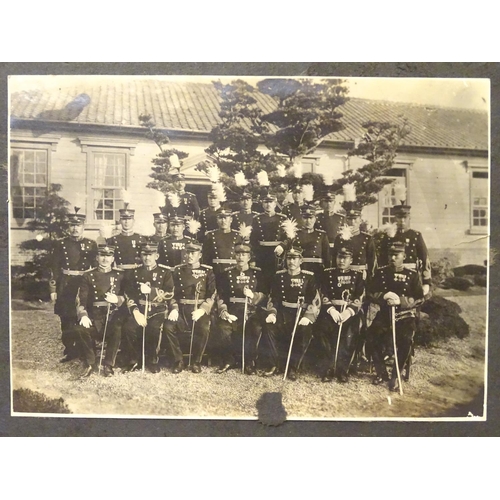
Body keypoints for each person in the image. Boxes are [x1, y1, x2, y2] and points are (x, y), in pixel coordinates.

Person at [366, 241, 425, 392]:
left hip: (404, 316)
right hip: (385, 314)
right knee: (371, 336)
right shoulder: (381, 273)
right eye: (390, 255)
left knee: (406, 339)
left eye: (396, 255)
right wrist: (384, 296)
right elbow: (371, 292)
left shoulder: (412, 275)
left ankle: (395, 374)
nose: (393, 258)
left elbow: (419, 297)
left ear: (404, 256)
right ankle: (381, 372)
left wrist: (402, 301)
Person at [262, 245, 320, 380]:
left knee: (304, 331)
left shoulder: (309, 277)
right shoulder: (279, 276)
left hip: (300, 313)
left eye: (295, 258)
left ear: (301, 261)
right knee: (269, 327)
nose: (291, 262)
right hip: (283, 312)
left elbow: (315, 299)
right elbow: (273, 297)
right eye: (289, 258)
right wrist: (272, 313)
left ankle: (293, 367)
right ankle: (274, 364)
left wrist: (308, 316)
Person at [49, 207, 97, 362]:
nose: (75, 228)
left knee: (84, 314)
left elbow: (96, 267)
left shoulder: (91, 244)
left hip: (84, 283)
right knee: (66, 317)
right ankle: (70, 349)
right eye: (72, 225)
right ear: (68, 227)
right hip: (66, 282)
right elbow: (54, 267)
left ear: (83, 226)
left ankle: (85, 348)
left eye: (78, 225)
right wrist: (53, 288)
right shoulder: (60, 244)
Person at [214, 238, 268, 374]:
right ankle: (228, 359)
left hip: (251, 309)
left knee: (255, 328)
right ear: (234, 255)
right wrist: (224, 312)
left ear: (249, 257)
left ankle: (250, 361)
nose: (240, 257)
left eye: (244, 254)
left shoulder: (258, 273)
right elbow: (221, 296)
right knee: (223, 327)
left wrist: (253, 295)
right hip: (232, 309)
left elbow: (266, 295)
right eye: (238, 254)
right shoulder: (226, 274)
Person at [163, 241, 216, 374]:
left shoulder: (207, 271)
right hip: (181, 309)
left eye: (194, 253)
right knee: (168, 327)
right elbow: (170, 293)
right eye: (187, 252)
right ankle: (178, 360)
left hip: (198, 309)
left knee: (204, 327)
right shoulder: (176, 270)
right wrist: (174, 308)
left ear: (200, 255)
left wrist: (203, 309)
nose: (190, 255)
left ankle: (196, 361)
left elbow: (213, 293)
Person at [121, 241, 174, 373]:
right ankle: (134, 359)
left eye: (151, 255)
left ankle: (153, 360)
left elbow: (169, 293)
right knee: (129, 328)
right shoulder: (134, 272)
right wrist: (135, 311)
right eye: (144, 254)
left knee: (154, 329)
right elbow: (129, 294)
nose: (147, 258)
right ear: (140, 255)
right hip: (140, 309)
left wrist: (152, 291)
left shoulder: (165, 272)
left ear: (157, 256)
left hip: (158, 310)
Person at [74, 244, 126, 377]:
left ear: (113, 258)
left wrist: (118, 299)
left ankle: (108, 364)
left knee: (117, 329)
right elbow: (82, 298)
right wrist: (83, 315)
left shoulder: (120, 275)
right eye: (102, 256)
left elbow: (128, 296)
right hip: (94, 315)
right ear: (97, 258)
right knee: (80, 329)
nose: (105, 259)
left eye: (108, 256)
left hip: (112, 314)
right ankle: (91, 363)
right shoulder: (88, 275)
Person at [317, 244, 365, 383]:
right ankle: (328, 367)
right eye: (339, 257)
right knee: (322, 331)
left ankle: (342, 370)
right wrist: (331, 310)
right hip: (330, 311)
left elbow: (360, 296)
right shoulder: (327, 274)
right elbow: (323, 293)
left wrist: (349, 312)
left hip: (349, 313)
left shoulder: (358, 276)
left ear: (351, 260)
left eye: (345, 258)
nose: (341, 261)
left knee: (349, 335)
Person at [377, 203, 432, 296]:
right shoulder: (388, 236)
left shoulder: (415, 235)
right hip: (391, 275)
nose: (402, 221)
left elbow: (424, 259)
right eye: (399, 217)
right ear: (395, 218)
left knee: (411, 302)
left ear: (409, 218)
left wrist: (426, 281)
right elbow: (382, 258)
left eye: (405, 218)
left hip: (411, 277)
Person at [276, 204, 330, 279]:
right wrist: (281, 246)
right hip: (300, 269)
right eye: (305, 218)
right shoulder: (294, 234)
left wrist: (326, 273)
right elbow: (287, 242)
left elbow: (327, 257)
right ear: (301, 219)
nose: (308, 221)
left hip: (317, 270)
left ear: (315, 219)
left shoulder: (322, 235)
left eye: (311, 218)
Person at [250, 191, 286, 290]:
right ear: (262, 204)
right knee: (262, 278)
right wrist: (255, 255)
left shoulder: (282, 218)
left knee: (277, 277)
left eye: (271, 202)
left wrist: (282, 246)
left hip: (277, 253)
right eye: (266, 202)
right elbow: (253, 239)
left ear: (275, 203)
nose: (268, 205)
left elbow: (288, 237)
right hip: (262, 253)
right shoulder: (256, 219)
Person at [331, 205, 377, 281]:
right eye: (349, 219)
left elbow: (372, 260)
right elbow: (334, 259)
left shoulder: (367, 238)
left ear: (360, 221)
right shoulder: (339, 238)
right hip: (343, 276)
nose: (352, 222)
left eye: (355, 219)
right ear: (346, 220)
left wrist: (370, 276)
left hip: (361, 275)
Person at [106, 204, 147, 270]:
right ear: (120, 221)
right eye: (124, 219)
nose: (126, 222)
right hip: (119, 272)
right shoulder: (113, 240)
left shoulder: (141, 239)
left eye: (129, 219)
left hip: (136, 272)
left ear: (133, 221)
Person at [202, 207, 238, 278]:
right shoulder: (210, 235)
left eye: (225, 218)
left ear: (231, 220)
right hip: (215, 270)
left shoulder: (238, 235)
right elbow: (206, 256)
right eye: (220, 218)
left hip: (233, 270)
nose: (223, 221)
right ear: (217, 220)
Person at [315, 191, 345, 264]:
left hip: (336, 249)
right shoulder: (316, 218)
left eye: (331, 201)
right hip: (321, 249)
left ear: (334, 202)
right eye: (326, 202)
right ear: (322, 203)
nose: (328, 204)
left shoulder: (341, 218)